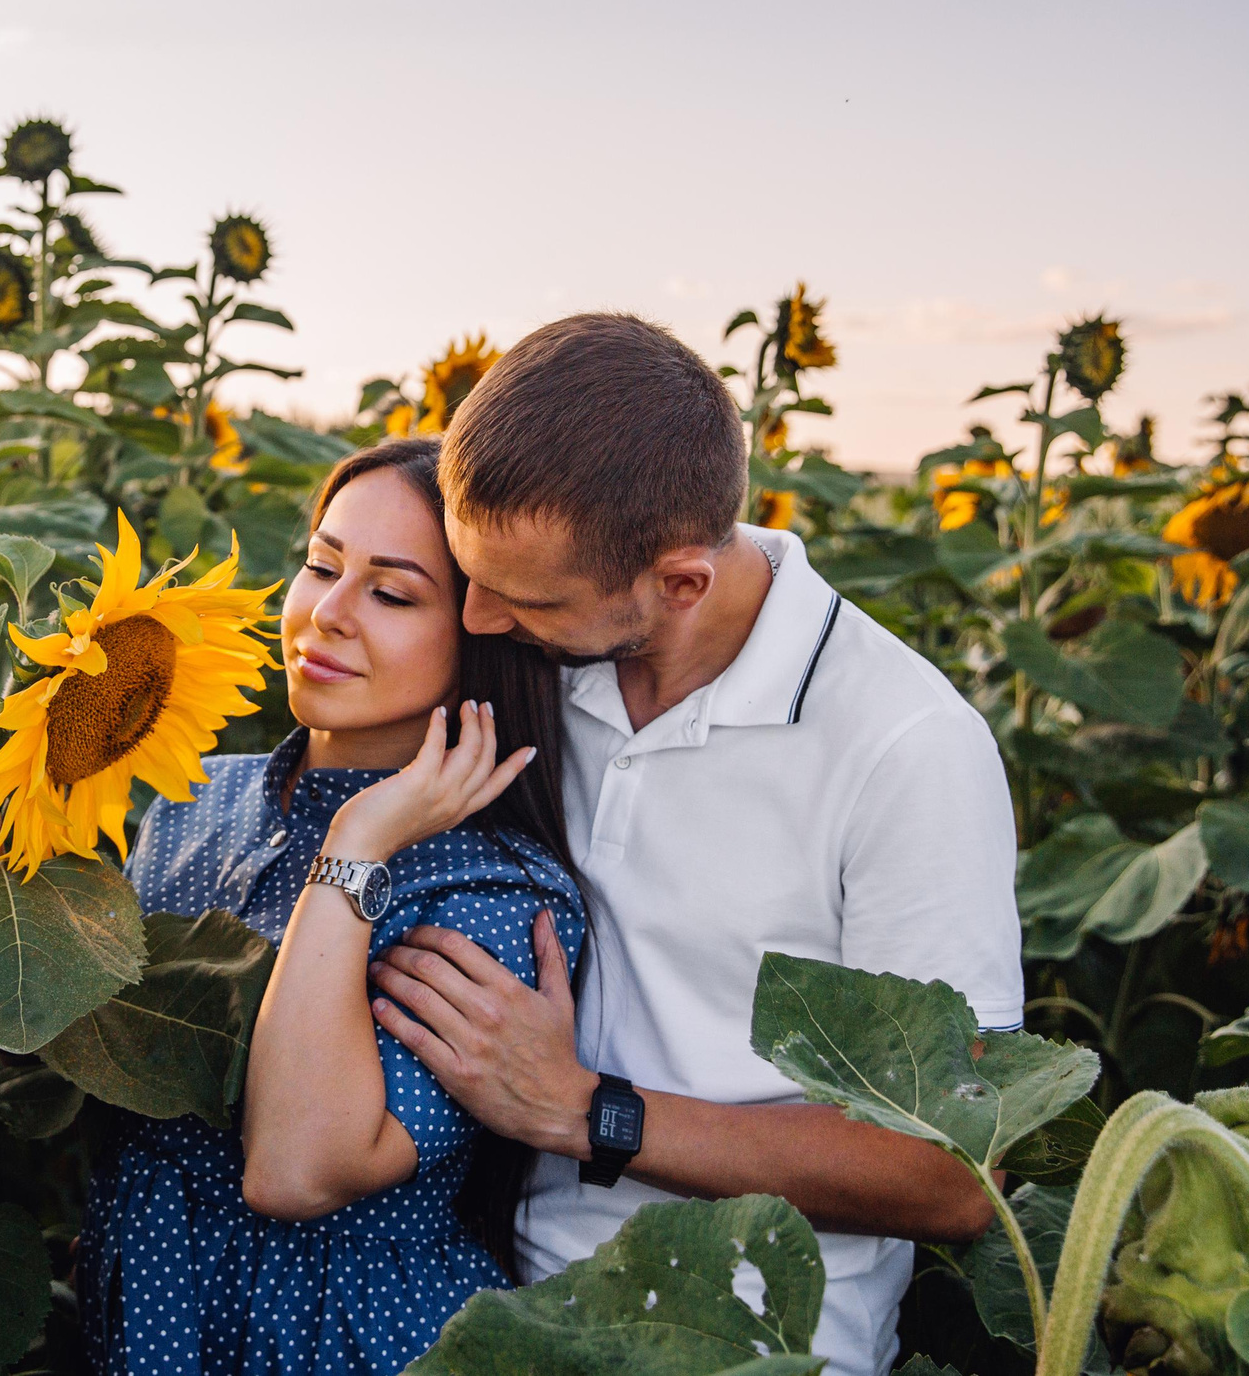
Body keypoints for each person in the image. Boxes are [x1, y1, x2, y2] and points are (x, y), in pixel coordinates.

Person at [367, 312, 1023, 1376]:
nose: (475, 618)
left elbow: (949, 1172)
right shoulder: (531, 661)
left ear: (680, 583)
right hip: (490, 1296)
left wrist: (585, 1112)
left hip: (749, 1337)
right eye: (466, 571)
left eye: (523, 596)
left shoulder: (905, 746)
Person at [73, 438, 590, 1376]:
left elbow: (296, 1168)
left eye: (392, 593)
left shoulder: (488, 895)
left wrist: (356, 841)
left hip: (340, 1337)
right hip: (144, 1309)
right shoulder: (196, 800)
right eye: (321, 564)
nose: (329, 613)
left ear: (481, 637)